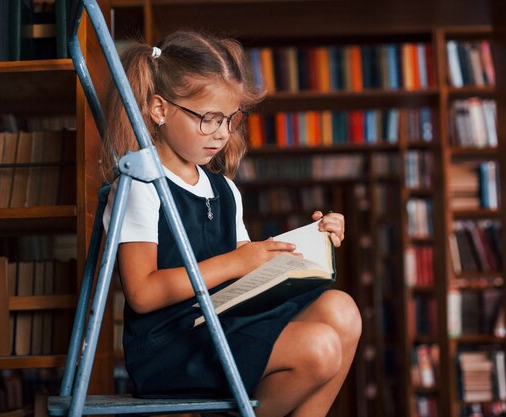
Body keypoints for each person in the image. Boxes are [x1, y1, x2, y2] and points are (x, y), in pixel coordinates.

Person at [101, 30, 361, 417]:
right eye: (209, 118)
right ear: (159, 109)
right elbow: (141, 292)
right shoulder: (140, 184)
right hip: (172, 345)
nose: (222, 133)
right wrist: (236, 263)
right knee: (318, 348)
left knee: (342, 311)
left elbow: (244, 266)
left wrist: (309, 242)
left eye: (230, 119)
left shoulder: (224, 189)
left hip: (222, 322)